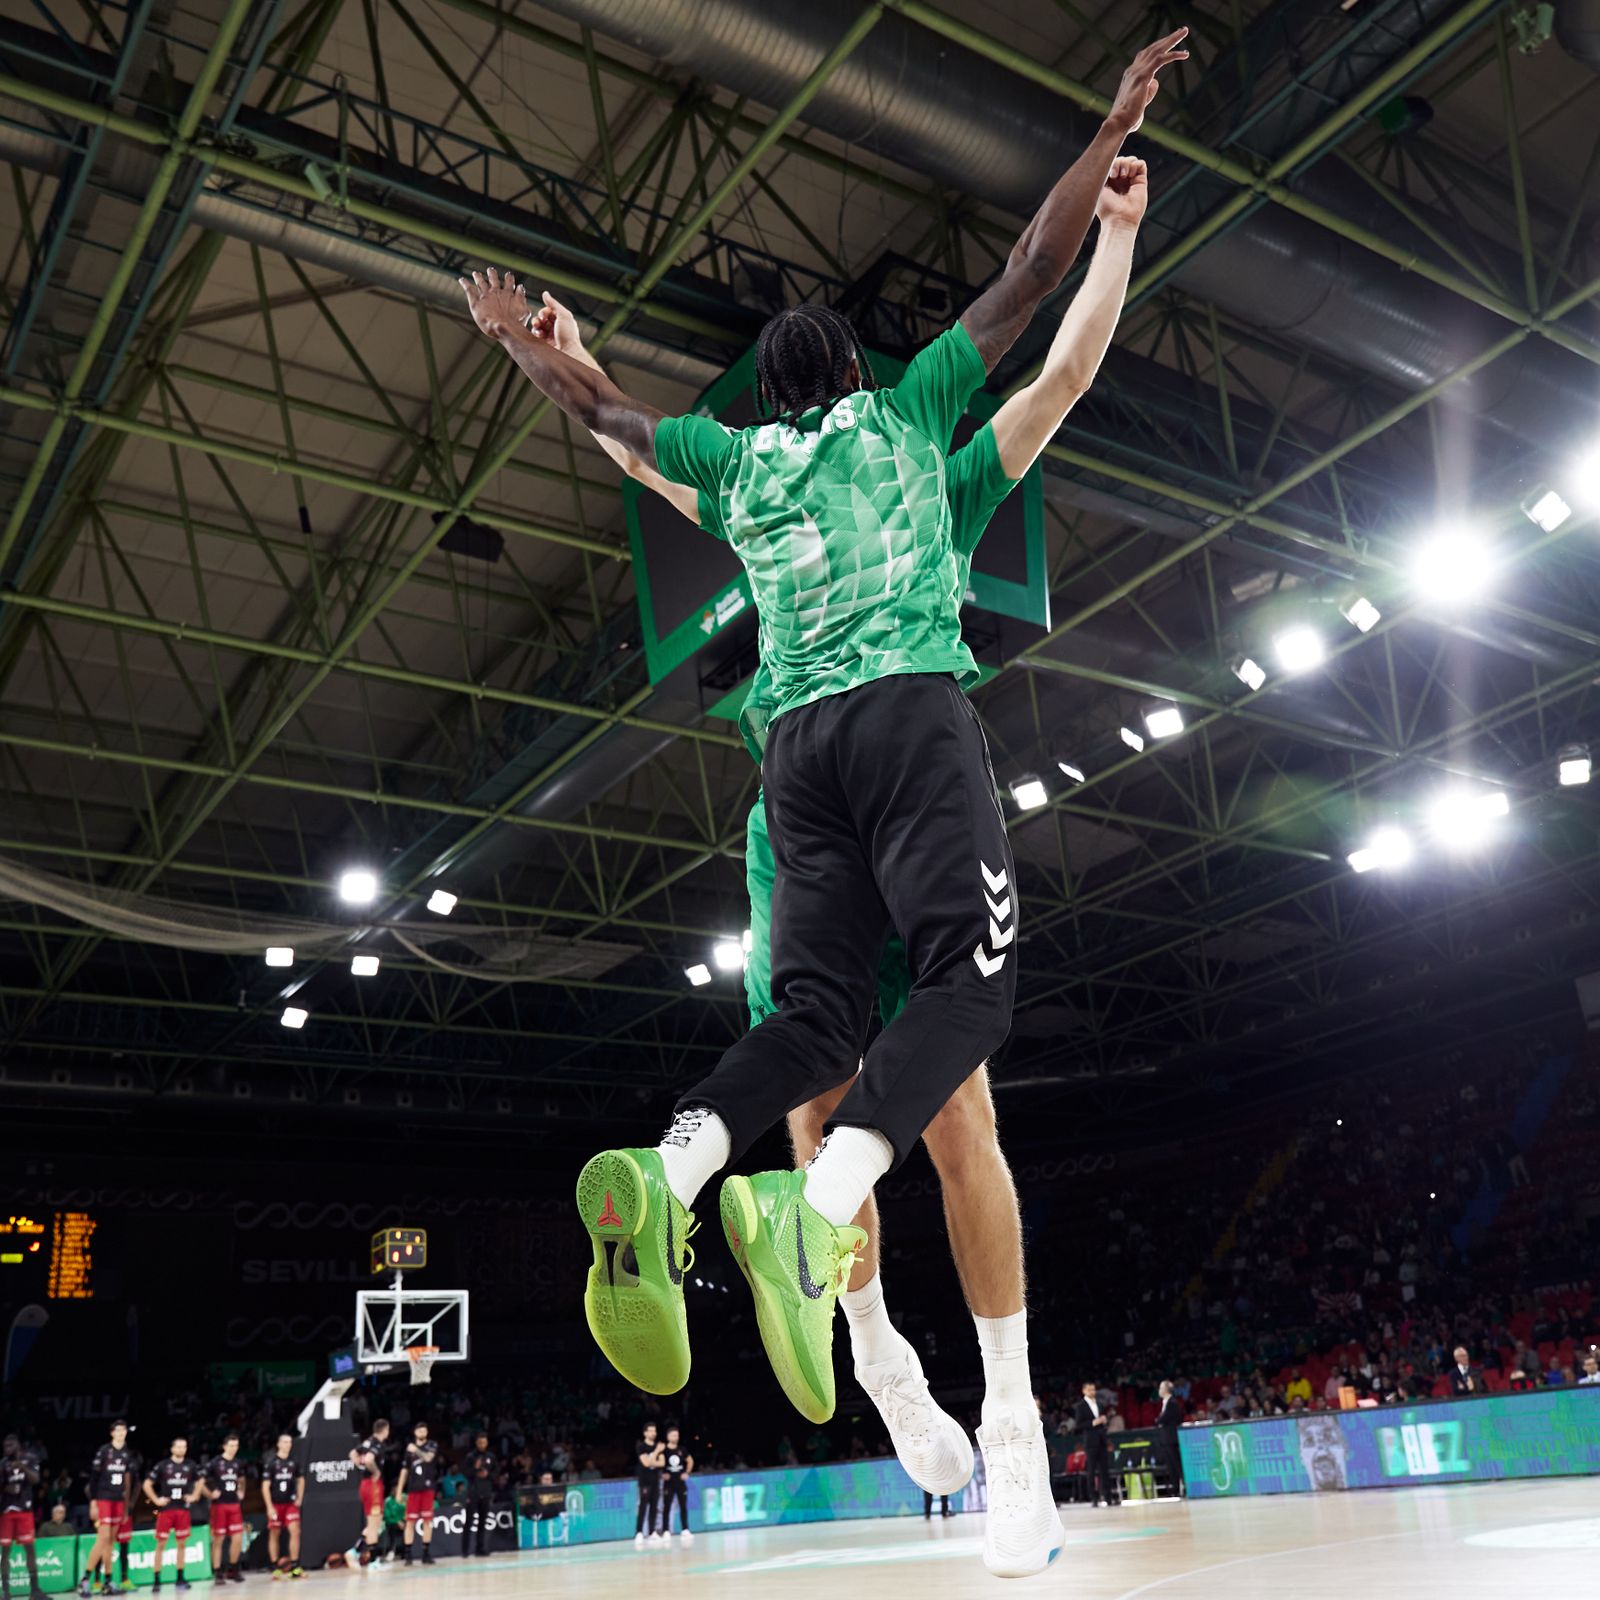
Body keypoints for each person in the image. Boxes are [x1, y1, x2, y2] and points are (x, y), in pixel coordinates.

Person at [521, 151, 1155, 1539]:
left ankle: (935, 1385)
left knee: (820, 1062)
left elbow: (634, 441)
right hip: (902, 754)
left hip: (789, 790)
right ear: (864, 387)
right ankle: (911, 1367)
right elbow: (1054, 363)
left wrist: (553, 357)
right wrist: (1113, 233)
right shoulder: (918, 444)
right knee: (947, 1083)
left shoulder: (761, 476)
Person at [81, 1420, 134, 1597]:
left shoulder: (127, 1454)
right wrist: (93, 1502)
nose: (121, 1433)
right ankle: (85, 1580)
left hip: (118, 1500)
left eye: (123, 1430)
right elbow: (93, 1479)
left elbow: (127, 1482)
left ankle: (108, 1581)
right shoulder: (104, 1451)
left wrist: (126, 1508)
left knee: (111, 1540)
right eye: (117, 1430)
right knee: (102, 1538)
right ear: (112, 1433)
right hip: (104, 1499)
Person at [143, 1438, 203, 1593]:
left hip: (182, 1509)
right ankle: (156, 1579)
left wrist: (195, 1495)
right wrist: (156, 1500)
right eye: (179, 1446)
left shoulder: (190, 1465)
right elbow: (147, 1484)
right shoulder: (163, 1465)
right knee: (161, 1545)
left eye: (184, 1447)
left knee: (181, 1544)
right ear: (172, 1449)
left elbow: (200, 1480)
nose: (182, 1449)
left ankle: (180, 1578)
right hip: (166, 1511)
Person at [1, 1434, 43, 1600]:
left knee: (30, 1549)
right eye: (5, 1446)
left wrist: (23, 1467)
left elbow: (36, 1479)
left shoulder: (30, 1459)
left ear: (17, 1445)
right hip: (6, 1512)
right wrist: (6, 1489)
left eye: (10, 1445)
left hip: (25, 1510)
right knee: (5, 1551)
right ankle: (6, 1592)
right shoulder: (3, 1464)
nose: (7, 1449)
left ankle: (34, 1591)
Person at [202, 1434, 247, 1585]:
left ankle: (233, 1569)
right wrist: (209, 1493)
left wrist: (241, 1490)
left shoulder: (237, 1463)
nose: (234, 1449)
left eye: (236, 1446)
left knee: (238, 1538)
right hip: (219, 1505)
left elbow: (241, 1479)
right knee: (218, 1539)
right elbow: (201, 1481)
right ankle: (218, 1572)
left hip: (234, 1504)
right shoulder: (215, 1462)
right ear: (225, 1446)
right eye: (231, 1446)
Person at [396, 1423, 440, 1566]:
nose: (423, 1432)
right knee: (410, 1522)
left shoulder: (432, 1445)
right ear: (415, 1432)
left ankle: (426, 1553)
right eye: (420, 1430)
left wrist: (416, 1450)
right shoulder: (408, 1450)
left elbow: (428, 1458)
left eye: (425, 1430)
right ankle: (408, 1555)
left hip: (428, 1488)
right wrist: (399, 1490)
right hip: (413, 1489)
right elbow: (404, 1470)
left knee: (427, 1521)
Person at [348, 1419, 390, 1568]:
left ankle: (356, 1549)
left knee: (375, 1522)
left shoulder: (367, 1441)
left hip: (364, 1484)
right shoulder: (378, 1444)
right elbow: (370, 1459)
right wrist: (375, 1471)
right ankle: (373, 1562)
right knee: (374, 1525)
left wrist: (359, 1465)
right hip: (373, 1485)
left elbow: (352, 1453)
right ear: (385, 1430)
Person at [262, 1435, 305, 1580]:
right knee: (275, 1533)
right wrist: (269, 1506)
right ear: (279, 1444)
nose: (288, 1445)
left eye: (290, 1442)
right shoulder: (272, 1463)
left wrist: (299, 1497)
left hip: (290, 1503)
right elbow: (265, 1486)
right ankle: (275, 1567)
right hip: (275, 1503)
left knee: (295, 1530)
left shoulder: (294, 1461)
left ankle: (295, 1566)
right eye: (285, 1442)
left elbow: (301, 1479)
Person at [1073, 1384, 1116, 1508]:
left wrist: (1104, 1420)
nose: (1093, 1391)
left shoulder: (1100, 1403)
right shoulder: (1080, 1406)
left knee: (1104, 1470)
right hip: (1090, 1442)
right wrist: (1093, 1422)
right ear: (1084, 1391)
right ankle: (1094, 1498)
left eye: (1094, 1389)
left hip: (1101, 1440)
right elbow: (1078, 1425)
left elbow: (1102, 1421)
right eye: (1090, 1389)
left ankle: (1108, 1497)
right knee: (1091, 1471)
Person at [461, 1433, 497, 1557]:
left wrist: (488, 1474)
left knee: (483, 1521)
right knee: (469, 1522)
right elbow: (466, 1473)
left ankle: (480, 1548)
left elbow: (496, 1472)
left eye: (484, 1442)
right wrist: (475, 1469)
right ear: (476, 1443)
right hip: (473, 1492)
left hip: (486, 1492)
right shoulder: (470, 1457)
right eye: (480, 1442)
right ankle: (465, 1550)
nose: (482, 1445)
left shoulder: (490, 1456)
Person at [656, 1429, 692, 1545]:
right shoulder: (664, 1450)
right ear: (668, 1436)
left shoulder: (682, 1449)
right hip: (669, 1483)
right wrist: (661, 1474)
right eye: (673, 1435)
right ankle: (666, 1530)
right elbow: (657, 1463)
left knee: (683, 1506)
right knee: (666, 1507)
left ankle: (685, 1529)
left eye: (677, 1435)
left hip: (680, 1482)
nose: (675, 1437)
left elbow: (690, 1461)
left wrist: (687, 1472)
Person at [632, 1425, 662, 1550]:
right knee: (643, 1506)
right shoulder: (641, 1446)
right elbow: (646, 1463)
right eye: (651, 1431)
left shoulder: (658, 1445)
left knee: (654, 1506)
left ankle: (652, 1532)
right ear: (645, 1433)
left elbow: (662, 1463)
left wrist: (652, 1460)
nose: (653, 1433)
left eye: (655, 1430)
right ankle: (639, 1532)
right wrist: (655, 1453)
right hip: (645, 1481)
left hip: (656, 1480)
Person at [1154, 1382, 1184, 1497]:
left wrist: (1158, 1420)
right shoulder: (1165, 1403)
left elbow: (1164, 1418)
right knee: (1171, 1466)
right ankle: (1175, 1488)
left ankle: (1183, 1487)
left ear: (1166, 1389)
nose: (1159, 1390)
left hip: (1171, 1439)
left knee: (1176, 1465)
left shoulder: (1172, 1403)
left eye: (1161, 1387)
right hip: (1166, 1439)